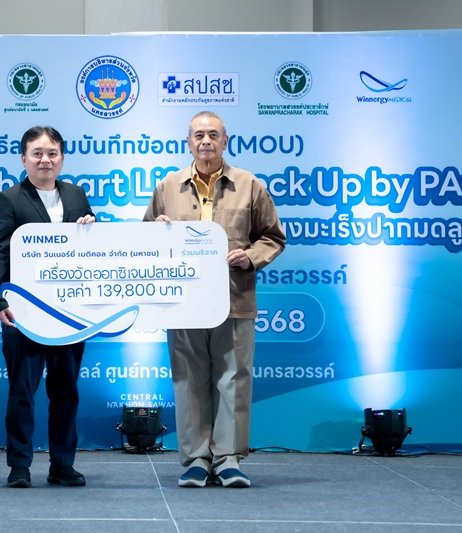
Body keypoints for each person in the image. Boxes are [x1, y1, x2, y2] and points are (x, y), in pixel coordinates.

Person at [143, 111, 285, 488]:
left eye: (213, 135)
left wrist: (250, 257)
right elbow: (144, 240)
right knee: (189, 379)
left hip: (234, 298)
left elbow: (273, 237)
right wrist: (156, 232)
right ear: (188, 143)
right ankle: (195, 459)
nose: (205, 141)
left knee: (232, 379)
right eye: (198, 135)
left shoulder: (249, 184)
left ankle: (227, 459)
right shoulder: (167, 186)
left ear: (225, 141)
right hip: (183, 303)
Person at [0, 126, 96, 488]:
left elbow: (93, 250)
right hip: (23, 313)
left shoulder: (77, 195)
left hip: (69, 314)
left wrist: (92, 228)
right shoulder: (10, 199)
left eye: (52, 153)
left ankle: (62, 464)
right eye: (37, 153)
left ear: (61, 158)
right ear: (24, 158)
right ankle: (19, 466)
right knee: (22, 393)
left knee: (66, 393)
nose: (45, 160)